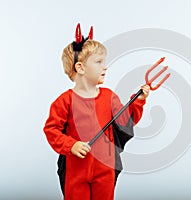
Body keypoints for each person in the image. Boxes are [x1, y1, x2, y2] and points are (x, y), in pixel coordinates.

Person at [43, 23, 149, 200]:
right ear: (80, 68)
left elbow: (125, 122)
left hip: (105, 169)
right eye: (99, 62)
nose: (105, 67)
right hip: (76, 171)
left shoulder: (109, 97)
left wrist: (138, 102)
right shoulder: (64, 101)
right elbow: (51, 130)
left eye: (104, 62)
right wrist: (72, 145)